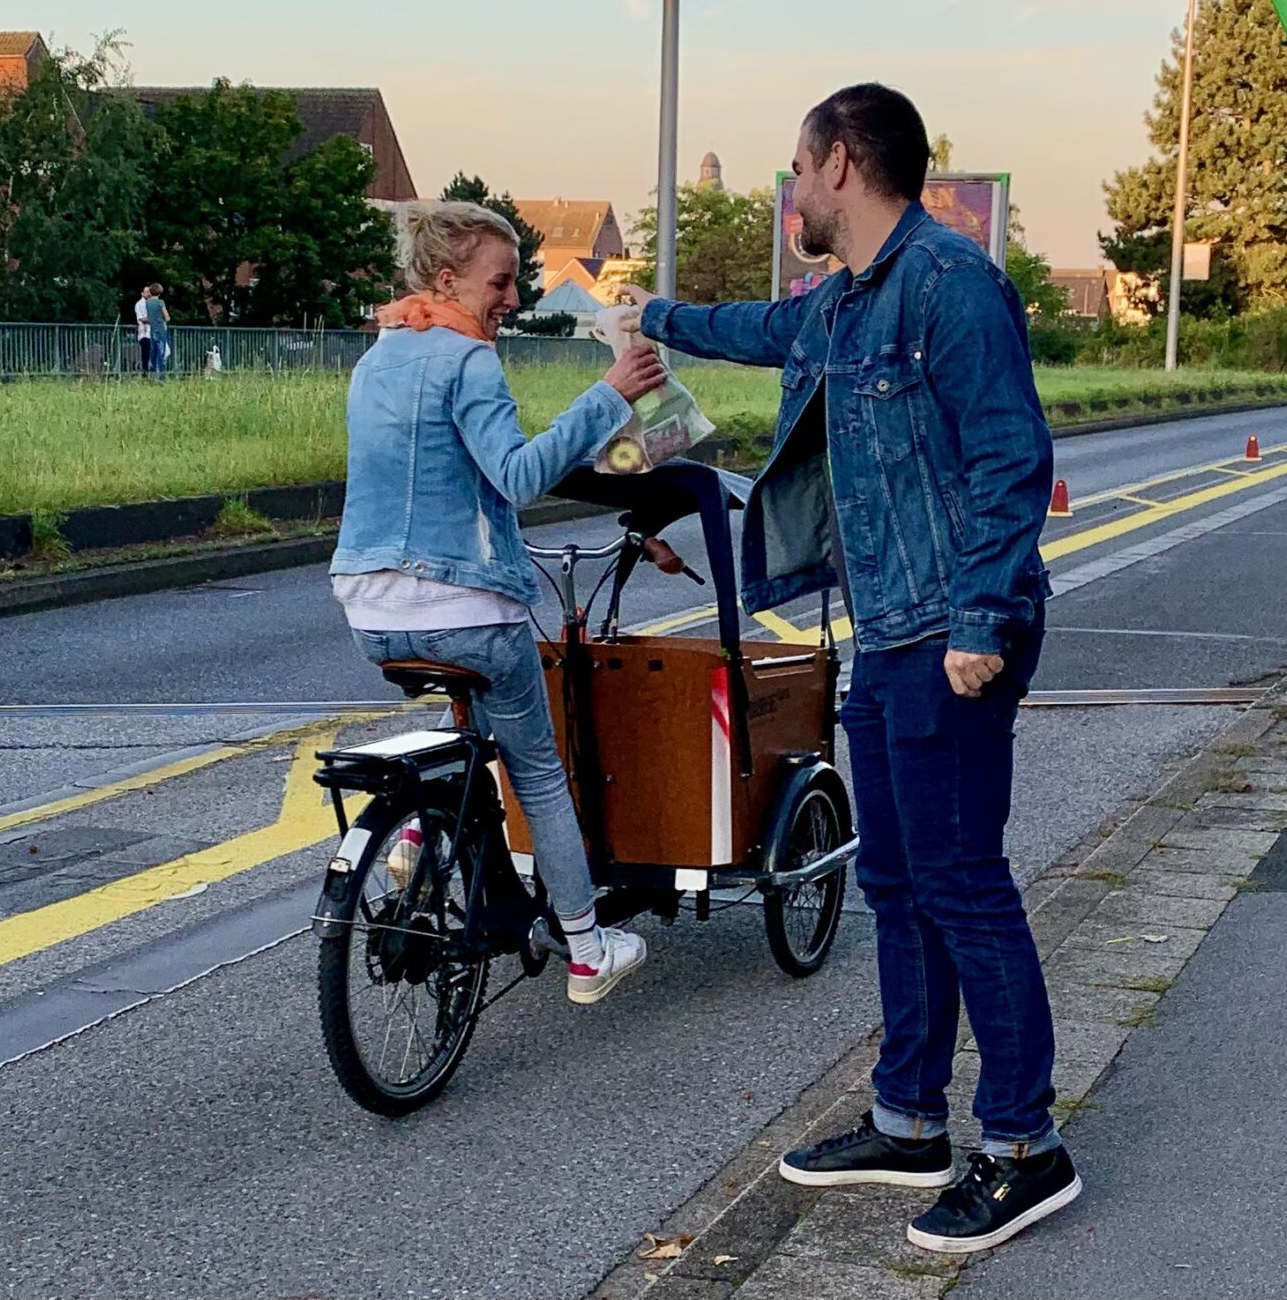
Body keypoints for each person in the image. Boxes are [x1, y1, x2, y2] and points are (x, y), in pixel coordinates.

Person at [622, 83, 1076, 1254]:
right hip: (888, 631)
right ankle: (907, 1119)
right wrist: (652, 313)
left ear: (837, 163)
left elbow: (1011, 459)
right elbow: (756, 332)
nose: (788, 191)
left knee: (963, 879)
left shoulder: (949, 285)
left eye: (795, 166)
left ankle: (1026, 1147)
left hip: (954, 633)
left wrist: (980, 621)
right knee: (896, 884)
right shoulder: (843, 304)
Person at [331, 201, 670, 1003]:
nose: (514, 298)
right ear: (447, 279)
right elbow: (515, 478)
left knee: (462, 733)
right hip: (466, 611)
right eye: (503, 281)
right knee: (538, 771)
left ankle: (421, 836)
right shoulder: (469, 361)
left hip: (369, 613)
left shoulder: (375, 358)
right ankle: (587, 950)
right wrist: (608, 396)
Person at [134, 285, 156, 375]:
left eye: (149, 292)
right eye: (146, 292)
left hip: (154, 332)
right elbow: (142, 318)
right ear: (142, 293)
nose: (148, 294)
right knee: (145, 355)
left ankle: (155, 372)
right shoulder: (139, 304)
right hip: (144, 333)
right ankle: (145, 373)